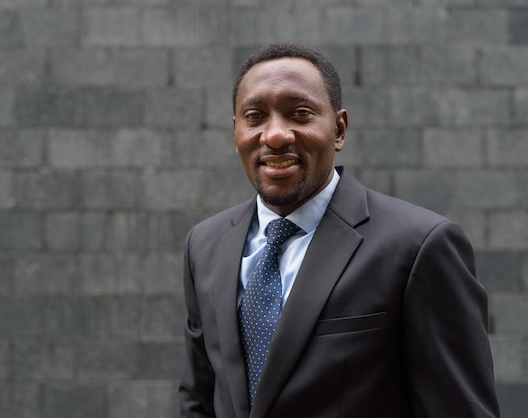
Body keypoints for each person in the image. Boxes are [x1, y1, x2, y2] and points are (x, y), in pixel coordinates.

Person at [178, 43, 499, 418]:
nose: (276, 135)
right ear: (236, 132)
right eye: (255, 116)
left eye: (300, 114)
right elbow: (199, 399)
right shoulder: (204, 245)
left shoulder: (419, 247)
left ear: (339, 129)